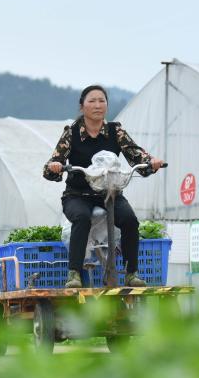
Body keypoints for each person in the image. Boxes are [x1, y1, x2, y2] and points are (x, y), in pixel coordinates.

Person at [43, 84, 165, 288]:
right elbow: (54, 161)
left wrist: (150, 161)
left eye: (102, 101)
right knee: (81, 218)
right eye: (92, 101)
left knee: (130, 220)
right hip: (77, 194)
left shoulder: (115, 131)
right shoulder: (71, 133)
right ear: (82, 106)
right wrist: (55, 166)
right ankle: (74, 274)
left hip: (109, 192)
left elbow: (136, 154)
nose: (97, 105)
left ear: (107, 105)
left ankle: (131, 273)